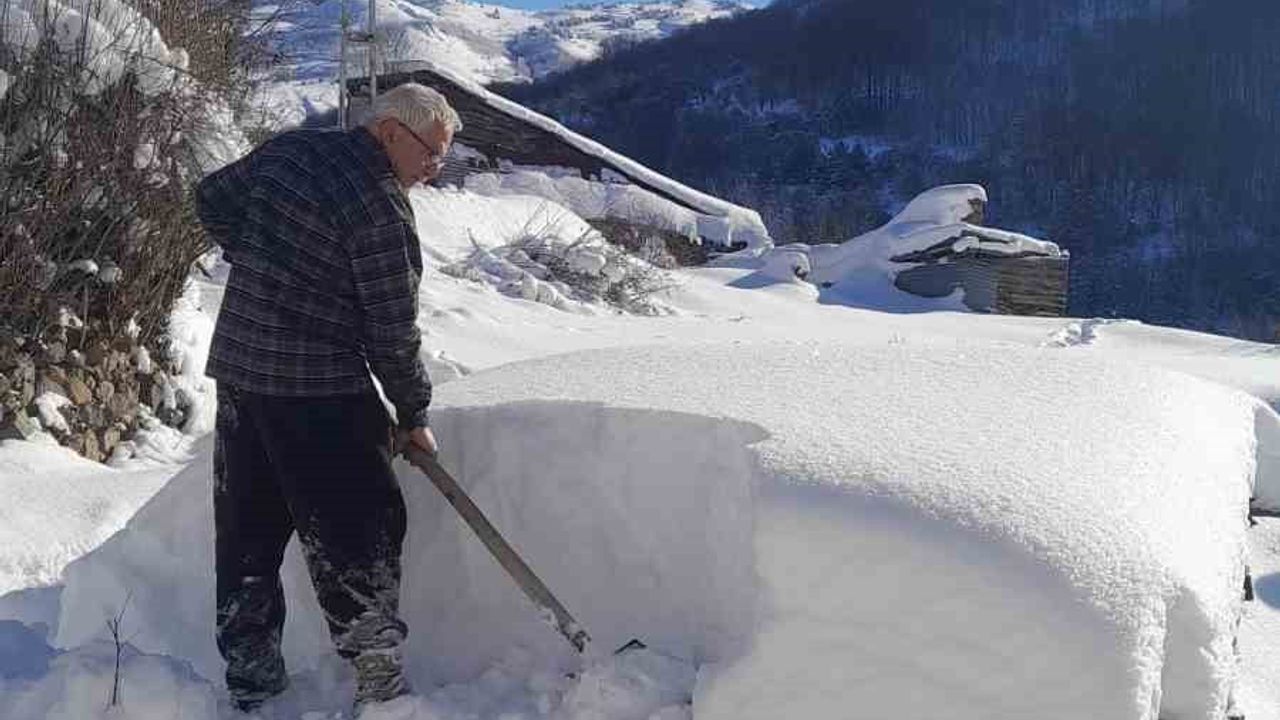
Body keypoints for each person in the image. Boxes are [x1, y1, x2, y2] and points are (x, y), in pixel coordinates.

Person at [194, 83, 460, 714]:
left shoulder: (289, 151)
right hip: (320, 393)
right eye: (431, 154)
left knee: (247, 537)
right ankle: (378, 683)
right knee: (358, 532)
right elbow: (392, 330)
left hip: (243, 378)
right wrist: (413, 413)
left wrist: (260, 256)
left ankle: (252, 685)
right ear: (391, 132)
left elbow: (211, 199)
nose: (434, 169)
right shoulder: (378, 209)